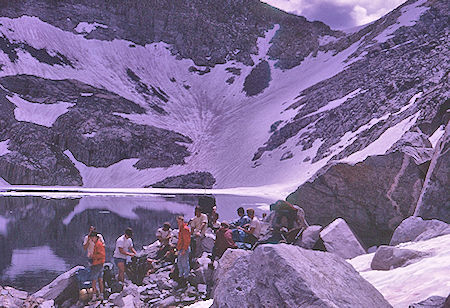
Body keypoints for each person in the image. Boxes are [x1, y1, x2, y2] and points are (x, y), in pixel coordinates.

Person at [88, 231, 105, 301]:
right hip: (100, 264)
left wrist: (92, 256)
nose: (92, 239)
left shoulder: (98, 244)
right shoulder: (98, 244)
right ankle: (101, 295)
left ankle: (94, 296)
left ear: (95, 237)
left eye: (92, 238)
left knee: (94, 281)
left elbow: (101, 255)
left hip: (97, 264)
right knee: (100, 279)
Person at [176, 216, 191, 286]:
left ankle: (185, 278)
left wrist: (184, 249)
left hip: (184, 249)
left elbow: (187, 240)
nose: (178, 223)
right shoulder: (181, 229)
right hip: (180, 248)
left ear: (182, 221)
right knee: (180, 263)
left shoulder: (185, 229)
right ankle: (180, 277)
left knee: (185, 263)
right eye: (177, 222)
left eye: (179, 222)